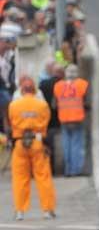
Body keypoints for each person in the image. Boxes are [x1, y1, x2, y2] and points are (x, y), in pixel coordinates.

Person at [8, 76, 56, 221]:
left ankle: (19, 211)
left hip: (20, 144)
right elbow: (46, 121)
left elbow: (11, 122)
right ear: (34, 90)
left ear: (22, 90)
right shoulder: (42, 105)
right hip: (37, 143)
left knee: (20, 178)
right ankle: (47, 210)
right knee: (43, 177)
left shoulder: (14, 106)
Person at [53, 64, 89, 176]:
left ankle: (67, 170)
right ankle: (76, 170)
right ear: (77, 73)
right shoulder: (83, 84)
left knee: (66, 145)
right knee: (76, 145)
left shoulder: (58, 86)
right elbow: (88, 103)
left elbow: (54, 105)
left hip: (64, 119)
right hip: (78, 119)